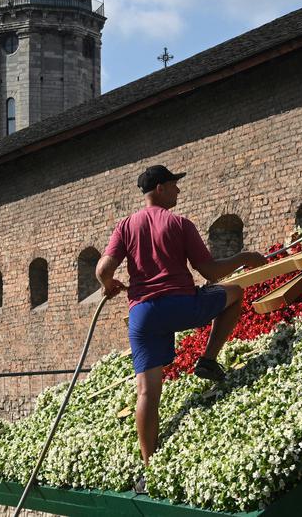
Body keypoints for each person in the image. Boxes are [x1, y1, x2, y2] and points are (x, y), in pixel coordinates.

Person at [96, 165, 266, 492]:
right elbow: (211, 271)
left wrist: (108, 283)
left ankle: (150, 469)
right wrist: (245, 256)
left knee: (146, 392)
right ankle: (209, 359)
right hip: (181, 305)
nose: (178, 191)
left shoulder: (125, 226)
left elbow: (104, 267)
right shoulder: (179, 223)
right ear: (160, 188)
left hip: (142, 314)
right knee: (235, 295)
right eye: (174, 185)